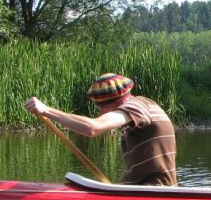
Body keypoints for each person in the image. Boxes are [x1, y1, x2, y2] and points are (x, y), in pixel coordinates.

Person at [25, 73, 177, 186]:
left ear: (119, 101)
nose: (100, 112)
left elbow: (92, 128)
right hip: (139, 189)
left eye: (100, 107)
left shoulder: (136, 106)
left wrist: (46, 110)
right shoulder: (139, 112)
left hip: (152, 190)